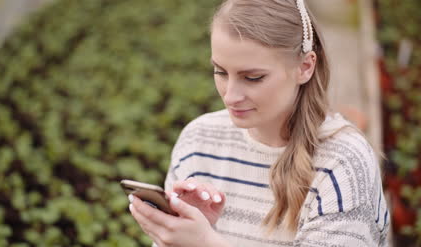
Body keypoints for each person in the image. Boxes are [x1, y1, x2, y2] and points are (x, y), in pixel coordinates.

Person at [127, 0, 390, 246]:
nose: (230, 96)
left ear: (305, 67)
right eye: (220, 72)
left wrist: (207, 242)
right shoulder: (198, 141)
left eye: (252, 77)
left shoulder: (343, 165)